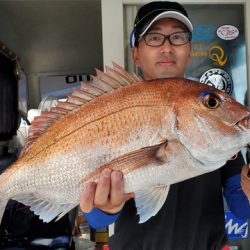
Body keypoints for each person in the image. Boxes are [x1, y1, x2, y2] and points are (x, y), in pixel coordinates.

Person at [80, 1, 250, 249]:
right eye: (154, 37)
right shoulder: (110, 109)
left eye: (178, 37)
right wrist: (105, 208)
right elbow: (96, 220)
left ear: (189, 50)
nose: (168, 47)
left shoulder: (210, 111)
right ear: (136, 53)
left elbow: (240, 205)